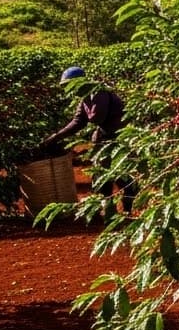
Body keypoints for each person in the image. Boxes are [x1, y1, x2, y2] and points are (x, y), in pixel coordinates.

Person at [42, 66, 133, 217]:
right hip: (104, 136)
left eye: (69, 85)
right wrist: (55, 137)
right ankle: (109, 212)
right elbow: (78, 121)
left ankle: (127, 209)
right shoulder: (86, 97)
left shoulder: (98, 92)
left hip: (118, 137)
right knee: (102, 176)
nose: (70, 90)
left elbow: (97, 118)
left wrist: (87, 109)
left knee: (117, 174)